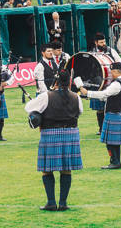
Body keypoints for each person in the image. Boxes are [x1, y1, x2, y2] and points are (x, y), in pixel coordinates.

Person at [25, 69, 83, 211]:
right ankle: (63, 203)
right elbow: (79, 112)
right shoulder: (77, 97)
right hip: (71, 134)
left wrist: (37, 103)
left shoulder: (46, 96)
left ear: (56, 82)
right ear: (69, 82)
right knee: (66, 169)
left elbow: (29, 108)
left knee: (47, 169)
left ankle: (51, 202)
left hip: (50, 134)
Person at [81, 62, 121, 169]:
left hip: (114, 115)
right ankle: (116, 161)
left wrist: (87, 93)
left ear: (116, 71)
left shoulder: (116, 84)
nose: (110, 74)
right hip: (120, 114)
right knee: (115, 142)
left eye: (111, 71)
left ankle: (115, 162)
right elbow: (110, 97)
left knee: (110, 142)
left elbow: (104, 94)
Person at [89, 33, 121, 135]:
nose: (104, 44)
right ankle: (101, 128)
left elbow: (120, 63)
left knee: (110, 107)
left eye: (104, 42)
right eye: (101, 42)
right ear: (96, 43)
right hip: (98, 84)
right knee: (99, 109)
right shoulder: (91, 53)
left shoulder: (111, 51)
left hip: (111, 83)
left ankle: (110, 128)